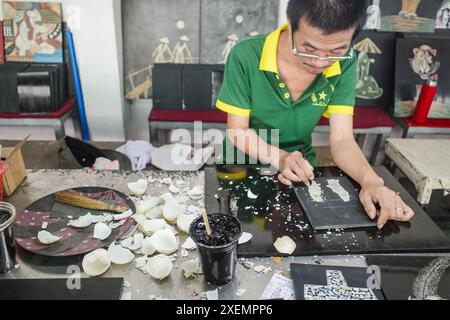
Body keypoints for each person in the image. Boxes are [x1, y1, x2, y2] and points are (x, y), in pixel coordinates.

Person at [215, 0, 414, 229]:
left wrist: (371, 182)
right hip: (241, 164)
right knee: (244, 232)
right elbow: (238, 131)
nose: (321, 62)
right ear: (290, 23)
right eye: (309, 49)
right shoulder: (246, 54)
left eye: (336, 51)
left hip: (301, 169)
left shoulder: (346, 63)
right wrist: (279, 157)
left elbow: (342, 140)